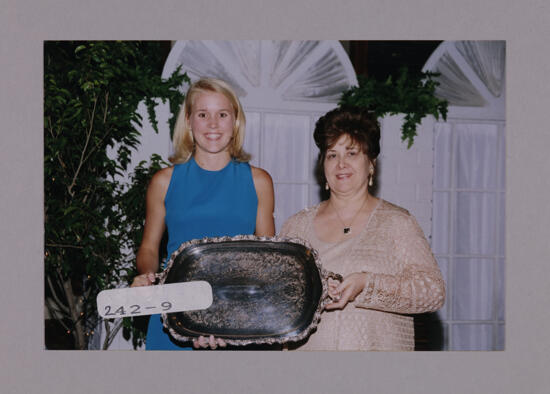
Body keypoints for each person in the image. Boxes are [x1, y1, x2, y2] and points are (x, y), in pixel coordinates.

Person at [279, 106, 445, 351]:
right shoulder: (296, 226)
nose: (341, 164)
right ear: (322, 166)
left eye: (352, 153)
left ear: (371, 164)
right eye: (332, 155)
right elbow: (275, 300)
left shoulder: (398, 222)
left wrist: (367, 285)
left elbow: (432, 292)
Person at [131, 78, 275, 350]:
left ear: (235, 122)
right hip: (173, 316)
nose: (212, 124)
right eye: (202, 114)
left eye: (222, 114)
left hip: (236, 317)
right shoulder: (163, 181)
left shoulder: (259, 182)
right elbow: (149, 249)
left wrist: (225, 316)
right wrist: (148, 276)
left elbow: (266, 262)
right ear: (188, 121)